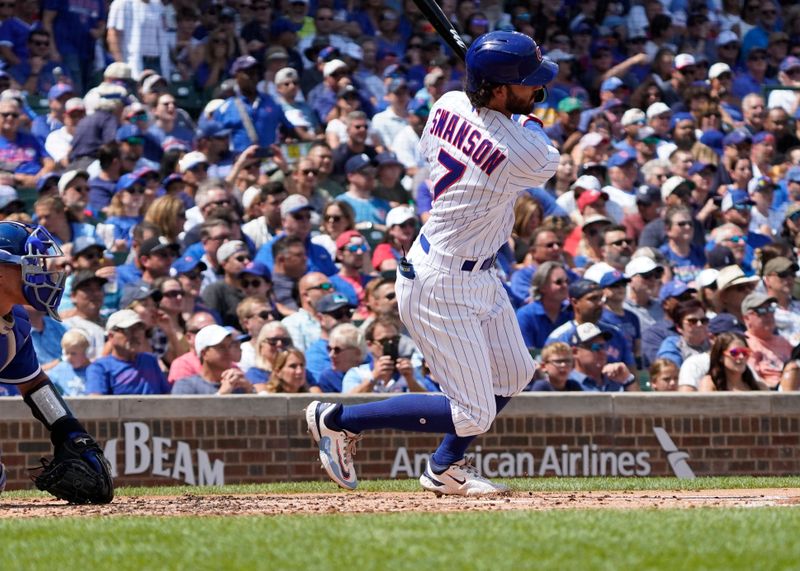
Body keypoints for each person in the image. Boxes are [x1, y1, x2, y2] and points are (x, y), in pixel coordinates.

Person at [306, 31, 560, 496]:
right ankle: (339, 420)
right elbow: (538, 143)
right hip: (442, 279)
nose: (537, 91)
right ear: (501, 89)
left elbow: (470, 124)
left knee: (516, 374)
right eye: (527, 83)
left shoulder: (446, 103)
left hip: (477, 269)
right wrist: (517, 116)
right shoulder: (524, 150)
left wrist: (491, 97)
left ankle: (444, 468)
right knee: (473, 412)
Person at [0, 191, 113, 504]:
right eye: (29, 263)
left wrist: (68, 432)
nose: (41, 271)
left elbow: (34, 385)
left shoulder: (15, 324)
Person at [85, 309, 170, 395]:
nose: (135, 335)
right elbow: (96, 403)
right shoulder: (99, 368)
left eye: (139, 329)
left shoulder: (150, 361)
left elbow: (166, 396)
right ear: (111, 336)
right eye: (128, 330)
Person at [172, 324, 254, 395]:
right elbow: (179, 412)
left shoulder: (239, 384)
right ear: (204, 353)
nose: (228, 352)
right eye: (221, 347)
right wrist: (222, 394)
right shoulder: (186, 385)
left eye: (229, 346)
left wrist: (251, 390)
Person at [740, 292, 793, 389]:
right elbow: (751, 380)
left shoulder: (784, 342)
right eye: (762, 311)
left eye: (771, 309)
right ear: (747, 318)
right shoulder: (744, 343)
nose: (769, 315)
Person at [699, 332, 767, 391]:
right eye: (734, 353)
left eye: (744, 352)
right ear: (721, 357)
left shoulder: (760, 387)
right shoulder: (710, 383)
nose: (741, 357)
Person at [245, 321, 293, 392]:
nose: (279, 344)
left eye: (285, 341)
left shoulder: (300, 371)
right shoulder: (255, 374)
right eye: (273, 341)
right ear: (261, 345)